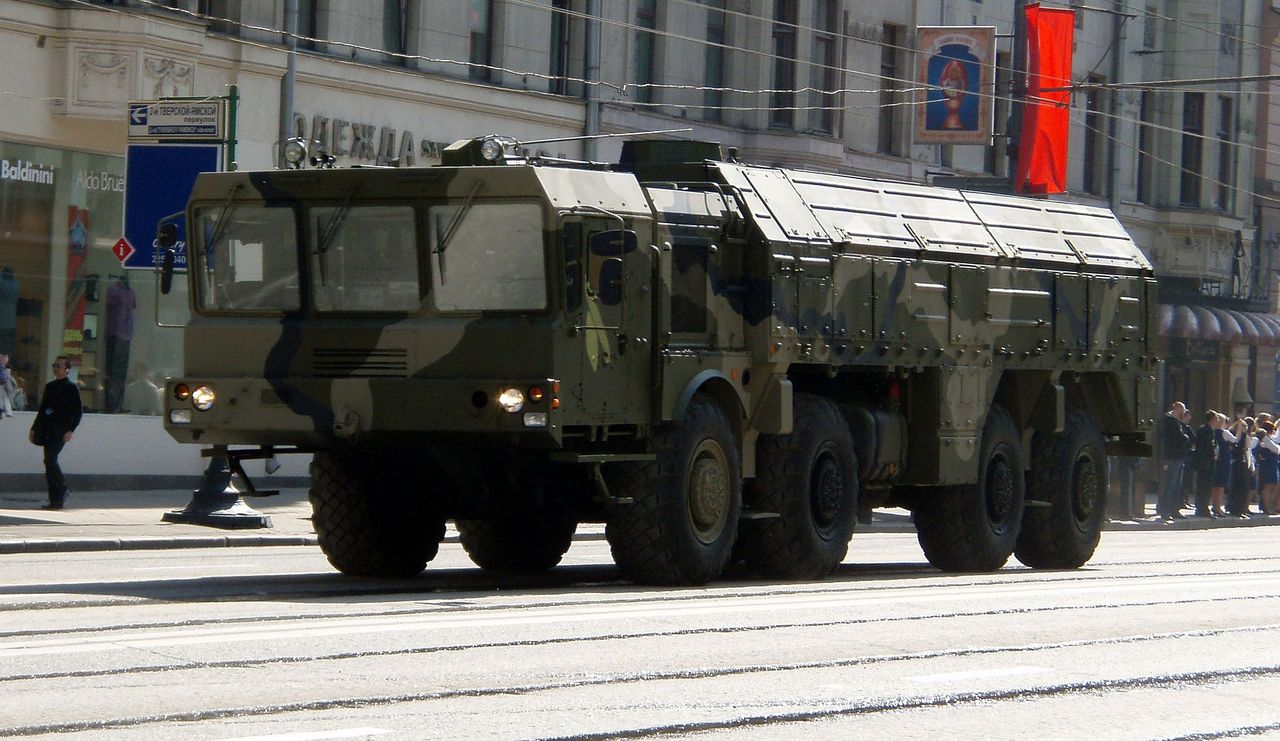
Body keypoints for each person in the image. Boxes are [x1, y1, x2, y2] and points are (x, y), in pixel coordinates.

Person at [27, 355, 82, 510]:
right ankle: (55, 499)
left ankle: (62, 489)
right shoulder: (50, 386)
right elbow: (44, 409)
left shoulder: (71, 387)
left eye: (59, 366)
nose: (56, 368)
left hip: (61, 430)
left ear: (67, 369)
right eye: (54, 365)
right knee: (48, 461)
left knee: (51, 459)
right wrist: (34, 427)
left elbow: (78, 411)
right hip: (48, 429)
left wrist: (71, 429)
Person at [1158, 401, 1192, 521]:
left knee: (1176, 486)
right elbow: (1176, 439)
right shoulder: (1170, 422)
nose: (1184, 412)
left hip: (1178, 457)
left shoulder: (1177, 423)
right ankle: (1165, 511)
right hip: (1172, 458)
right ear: (1177, 409)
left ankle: (1173, 510)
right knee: (1170, 486)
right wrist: (1185, 437)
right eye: (1182, 409)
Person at [1210, 412, 1237, 517]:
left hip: (1216, 460)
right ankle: (1218, 507)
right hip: (1224, 460)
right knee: (1221, 486)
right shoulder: (1224, 432)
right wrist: (1238, 428)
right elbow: (1236, 439)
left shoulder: (1212, 432)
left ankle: (1214, 505)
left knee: (1215, 485)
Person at [1192, 410, 1218, 518]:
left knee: (1204, 486)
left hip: (1205, 462)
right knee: (1204, 486)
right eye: (1216, 418)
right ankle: (1202, 508)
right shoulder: (1206, 430)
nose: (1217, 420)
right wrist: (1213, 455)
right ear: (1212, 419)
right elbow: (1207, 447)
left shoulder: (1207, 429)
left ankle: (1201, 507)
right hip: (1205, 463)